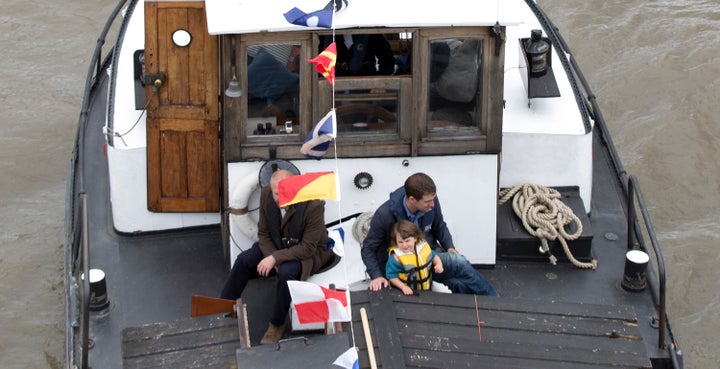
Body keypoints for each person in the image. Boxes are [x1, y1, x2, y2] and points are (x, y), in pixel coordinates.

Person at [220, 169, 333, 344]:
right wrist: (274, 256)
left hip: (307, 255)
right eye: (276, 194)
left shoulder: (314, 205)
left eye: (285, 193)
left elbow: (308, 248)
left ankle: (277, 323)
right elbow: (264, 234)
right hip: (277, 245)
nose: (280, 199)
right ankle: (223, 307)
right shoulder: (266, 195)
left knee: (286, 273)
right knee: (244, 261)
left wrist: (275, 259)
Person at [361, 172, 498, 296]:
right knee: (459, 262)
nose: (432, 204)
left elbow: (439, 226)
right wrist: (376, 275)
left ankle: (480, 305)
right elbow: (368, 248)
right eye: (428, 202)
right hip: (406, 264)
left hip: (429, 253)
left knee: (457, 283)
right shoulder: (384, 215)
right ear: (412, 199)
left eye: (433, 199)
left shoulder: (431, 201)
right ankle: (495, 299)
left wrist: (449, 247)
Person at [386, 220, 444, 295]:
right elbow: (392, 276)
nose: (404, 245)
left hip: (427, 288)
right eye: (400, 242)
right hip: (406, 293)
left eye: (407, 241)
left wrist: (438, 264)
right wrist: (403, 287)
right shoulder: (395, 258)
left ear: (415, 238)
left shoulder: (423, 247)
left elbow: (434, 256)